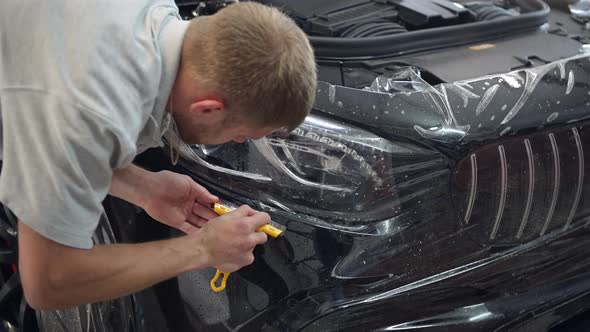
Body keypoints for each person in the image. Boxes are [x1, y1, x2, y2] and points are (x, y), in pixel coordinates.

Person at [0, 0, 316, 310]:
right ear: (208, 108)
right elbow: (50, 281)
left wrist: (142, 187)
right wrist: (202, 249)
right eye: (241, 135)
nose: (237, 141)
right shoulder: (90, 109)